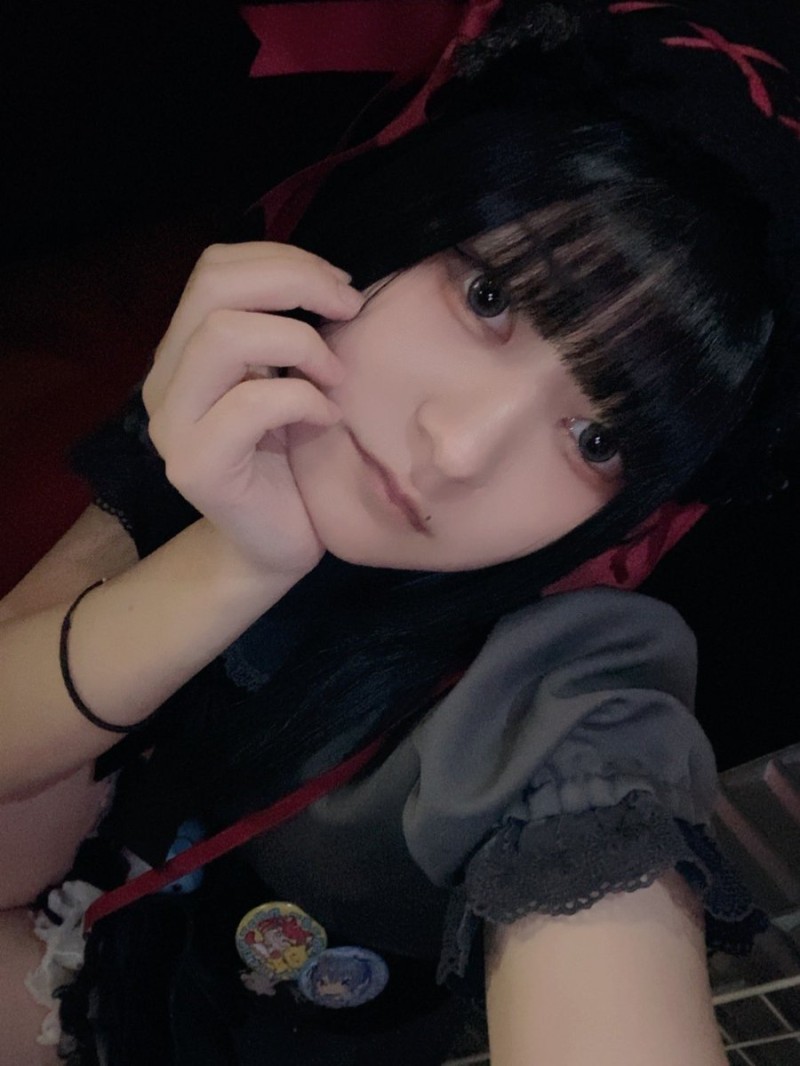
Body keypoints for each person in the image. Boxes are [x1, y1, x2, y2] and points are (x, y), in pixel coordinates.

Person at [0, 1, 798, 1062]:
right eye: (489, 296)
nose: (459, 449)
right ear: (404, 219)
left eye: (598, 437)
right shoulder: (241, 411)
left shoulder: (566, 698)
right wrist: (230, 563)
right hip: (79, 962)